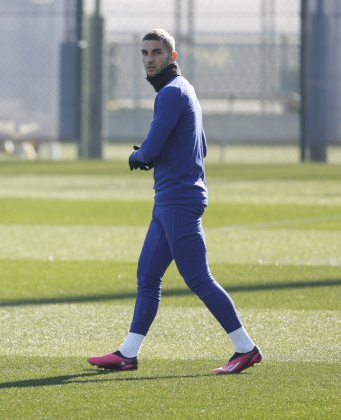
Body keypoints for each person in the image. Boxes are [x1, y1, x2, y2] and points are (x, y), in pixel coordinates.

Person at [87, 28, 262, 374]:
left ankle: (246, 348)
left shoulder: (169, 93)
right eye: (144, 53)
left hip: (178, 200)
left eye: (157, 53)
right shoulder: (186, 90)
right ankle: (127, 353)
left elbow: (149, 150)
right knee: (147, 276)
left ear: (173, 57)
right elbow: (201, 146)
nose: (150, 59)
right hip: (171, 198)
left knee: (198, 279)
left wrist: (136, 157)